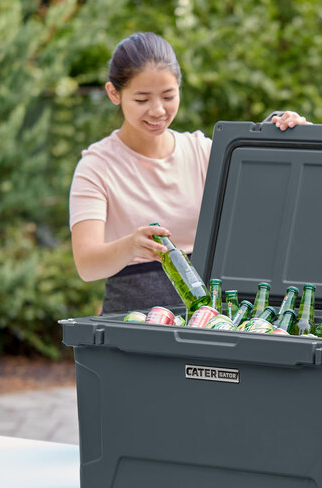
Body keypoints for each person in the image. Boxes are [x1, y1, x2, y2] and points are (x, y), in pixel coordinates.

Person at [69, 32, 308, 313]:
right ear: (114, 93)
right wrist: (130, 247)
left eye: (168, 96)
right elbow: (86, 264)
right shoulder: (97, 166)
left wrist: (288, 135)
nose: (158, 110)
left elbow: (267, 198)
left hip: (208, 316)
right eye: (142, 100)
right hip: (132, 319)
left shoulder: (202, 151)